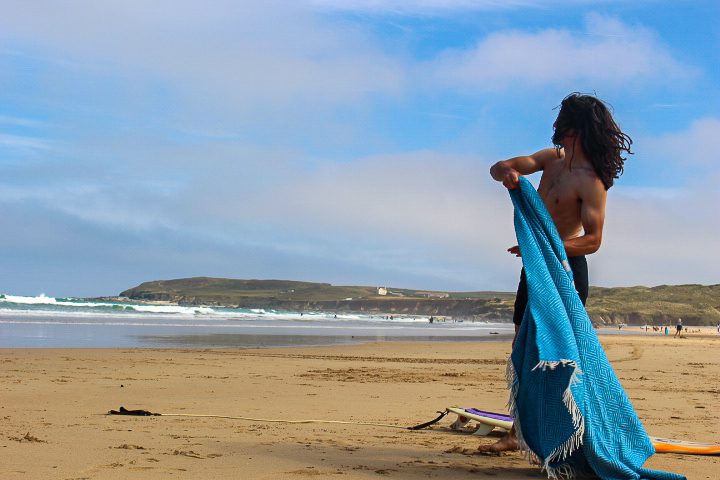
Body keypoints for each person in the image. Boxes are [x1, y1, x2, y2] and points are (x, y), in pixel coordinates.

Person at [479, 93, 632, 454]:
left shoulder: (592, 181)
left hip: (565, 270)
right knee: (523, 348)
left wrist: (547, 246)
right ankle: (517, 434)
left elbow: (593, 240)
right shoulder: (551, 160)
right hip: (534, 267)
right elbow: (500, 166)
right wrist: (508, 173)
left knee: (559, 354)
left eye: (562, 123)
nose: (556, 130)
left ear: (577, 128)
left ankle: (570, 434)